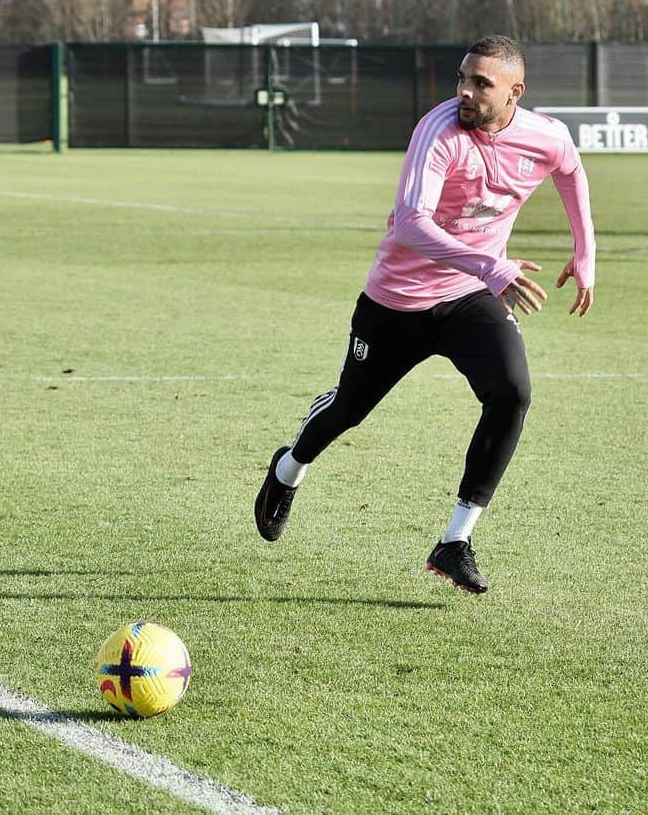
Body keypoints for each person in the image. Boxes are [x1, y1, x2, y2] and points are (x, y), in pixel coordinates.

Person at [253, 35, 596, 594]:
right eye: (462, 78)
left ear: (515, 92)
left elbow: (571, 169)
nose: (465, 91)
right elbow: (412, 223)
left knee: (512, 392)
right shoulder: (438, 131)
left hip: (468, 296)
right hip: (396, 303)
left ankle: (455, 541)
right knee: (348, 409)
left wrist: (585, 251)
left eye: (481, 83)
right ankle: (287, 469)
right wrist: (492, 265)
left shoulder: (546, 135)